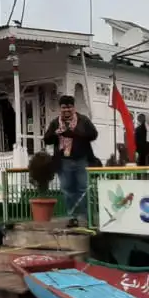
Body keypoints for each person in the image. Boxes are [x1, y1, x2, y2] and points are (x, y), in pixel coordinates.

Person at [43, 94, 99, 225]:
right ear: (60, 108)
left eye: (69, 107)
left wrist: (75, 134)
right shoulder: (55, 122)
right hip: (63, 161)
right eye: (64, 108)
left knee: (83, 189)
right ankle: (73, 216)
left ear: (74, 108)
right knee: (67, 190)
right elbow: (47, 139)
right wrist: (54, 134)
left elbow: (94, 135)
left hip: (81, 160)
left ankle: (85, 217)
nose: (67, 110)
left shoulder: (83, 120)